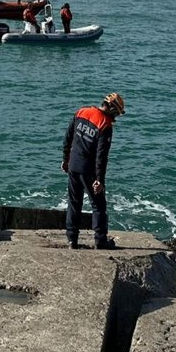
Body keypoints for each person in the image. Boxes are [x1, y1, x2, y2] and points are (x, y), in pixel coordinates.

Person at [62, 92, 125, 250]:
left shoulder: (81, 112)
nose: (116, 117)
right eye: (116, 113)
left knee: (74, 203)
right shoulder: (105, 125)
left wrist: (65, 159)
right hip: (88, 170)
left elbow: (68, 137)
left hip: (73, 166)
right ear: (111, 108)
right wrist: (100, 180)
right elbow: (101, 157)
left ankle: (72, 240)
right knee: (98, 206)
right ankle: (100, 241)